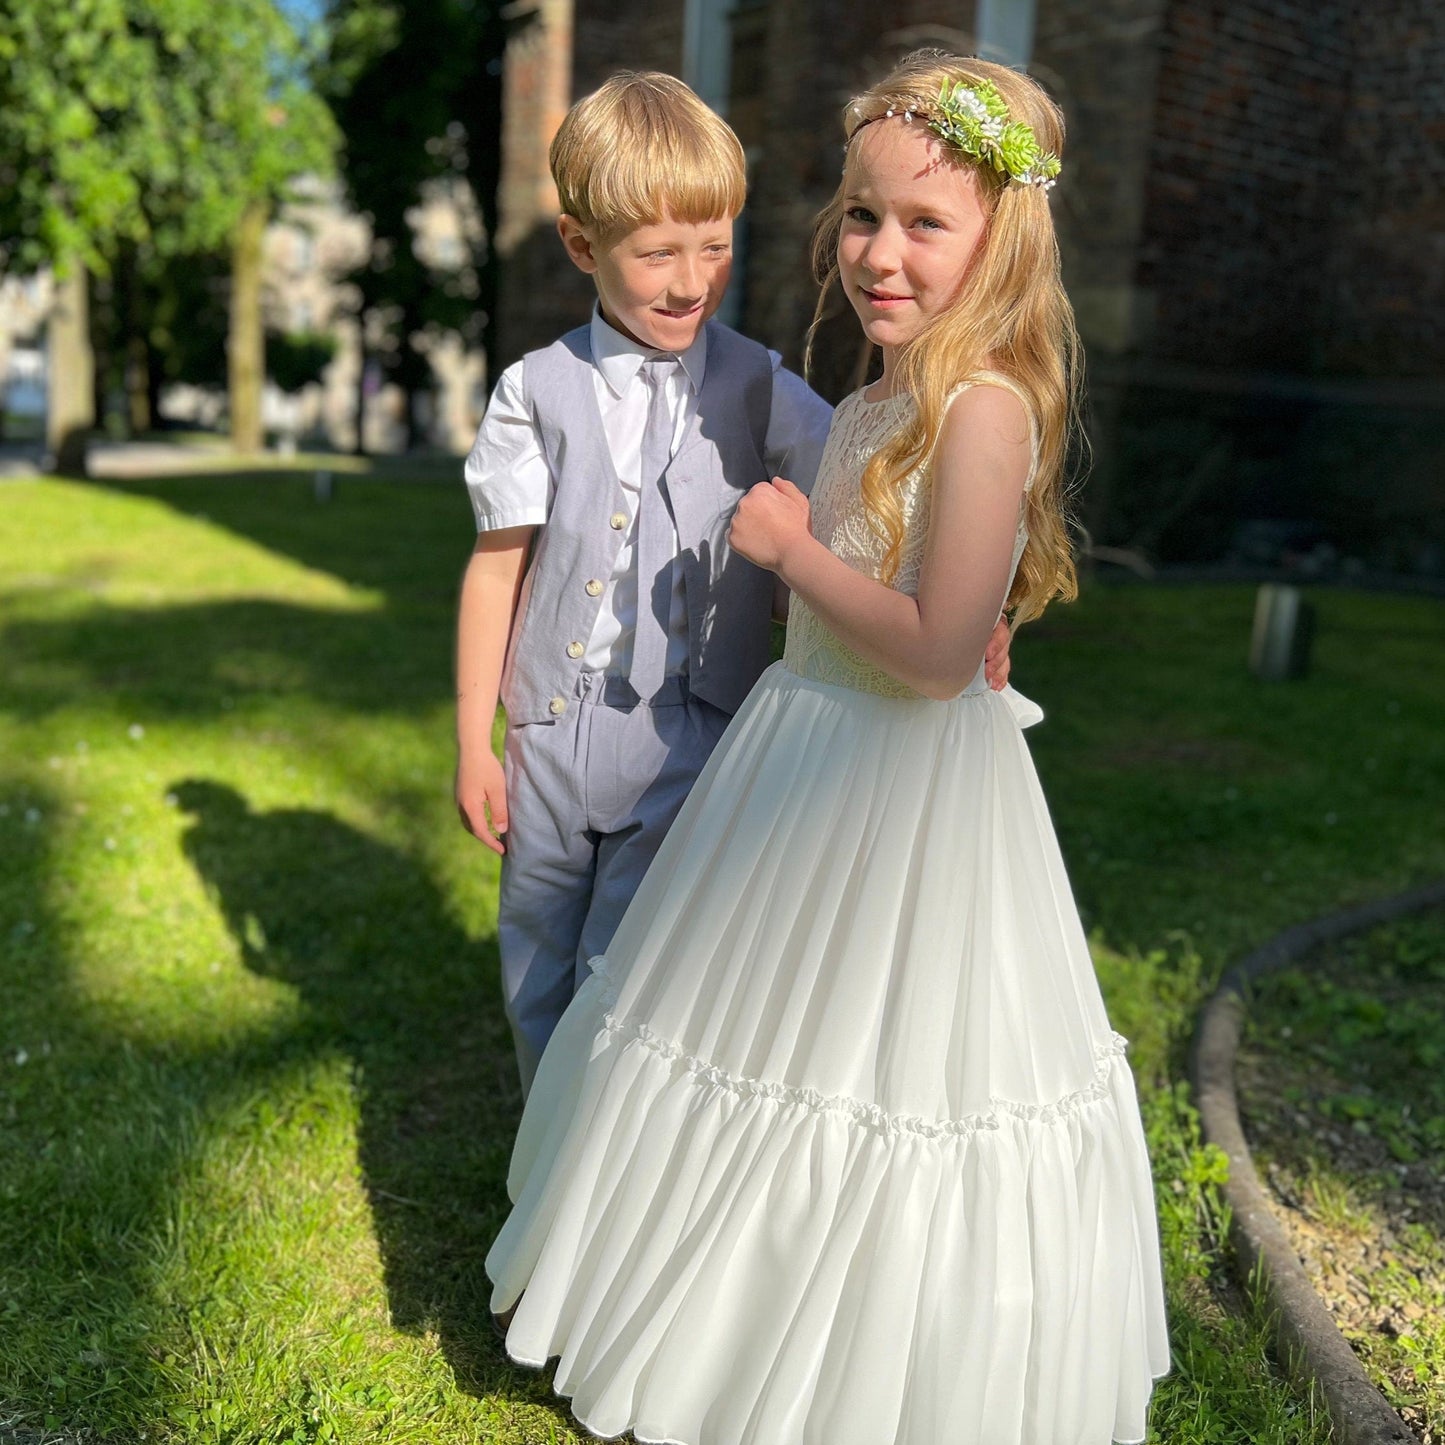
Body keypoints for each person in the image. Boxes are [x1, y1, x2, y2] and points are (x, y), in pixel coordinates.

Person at [485, 50, 1169, 1445]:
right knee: (730, 1036)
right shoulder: (874, 398)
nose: (879, 251)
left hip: (893, 797)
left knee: (871, 1066)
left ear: (1002, 239)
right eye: (862, 215)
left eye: (925, 222)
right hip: (800, 762)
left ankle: (849, 1358)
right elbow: (953, 609)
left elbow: (927, 652)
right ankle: (697, 1305)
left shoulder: (982, 408)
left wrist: (796, 551)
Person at [455, 68, 1019, 1092]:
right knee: (533, 958)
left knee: (628, 968)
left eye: (713, 248)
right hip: (549, 726)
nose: (690, 280)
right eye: (658, 252)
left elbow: (886, 490)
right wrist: (473, 740)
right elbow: (496, 570)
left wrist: (986, 608)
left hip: (691, 733)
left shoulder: (764, 386)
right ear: (583, 247)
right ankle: (542, 1155)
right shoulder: (532, 391)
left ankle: (603, 1148)